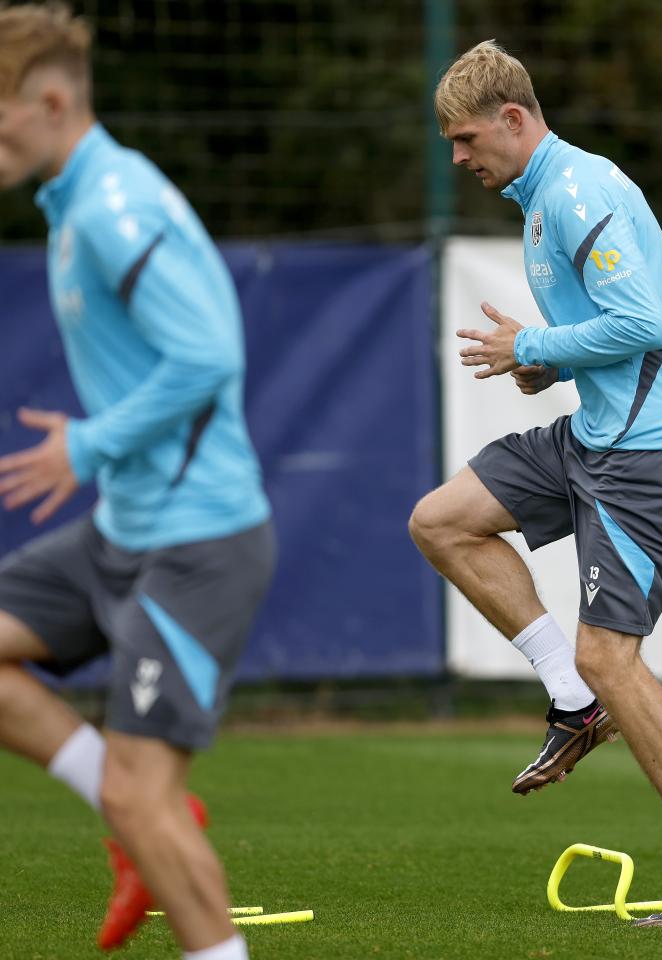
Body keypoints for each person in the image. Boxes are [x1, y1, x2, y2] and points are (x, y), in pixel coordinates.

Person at [410, 40, 662, 926]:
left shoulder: (576, 191)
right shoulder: (539, 200)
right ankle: (573, 700)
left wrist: (532, 344)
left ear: (513, 119)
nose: (458, 158)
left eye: (465, 139)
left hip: (646, 454)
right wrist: (550, 367)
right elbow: (613, 333)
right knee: (442, 521)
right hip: (596, 436)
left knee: (612, 656)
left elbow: (642, 325)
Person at [0, 4, 275, 957]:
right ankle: (132, 823)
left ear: (49, 102)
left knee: (141, 793)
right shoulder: (72, 201)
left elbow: (209, 355)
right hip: (123, 528)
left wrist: (85, 448)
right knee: (129, 798)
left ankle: (148, 830)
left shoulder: (115, 207)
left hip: (199, 542)